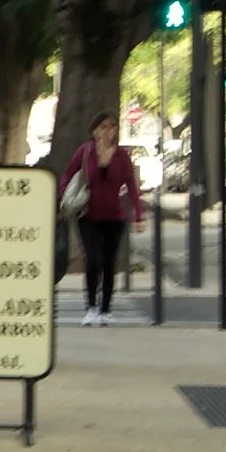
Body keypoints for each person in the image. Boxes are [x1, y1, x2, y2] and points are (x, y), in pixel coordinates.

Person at [58, 110, 143, 326]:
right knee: (93, 259)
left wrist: (138, 216)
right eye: (103, 126)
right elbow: (68, 176)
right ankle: (91, 308)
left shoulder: (122, 156)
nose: (108, 131)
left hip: (115, 217)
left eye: (112, 126)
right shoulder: (85, 152)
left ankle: (106, 309)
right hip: (88, 215)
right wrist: (61, 201)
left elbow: (132, 187)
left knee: (108, 262)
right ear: (94, 130)